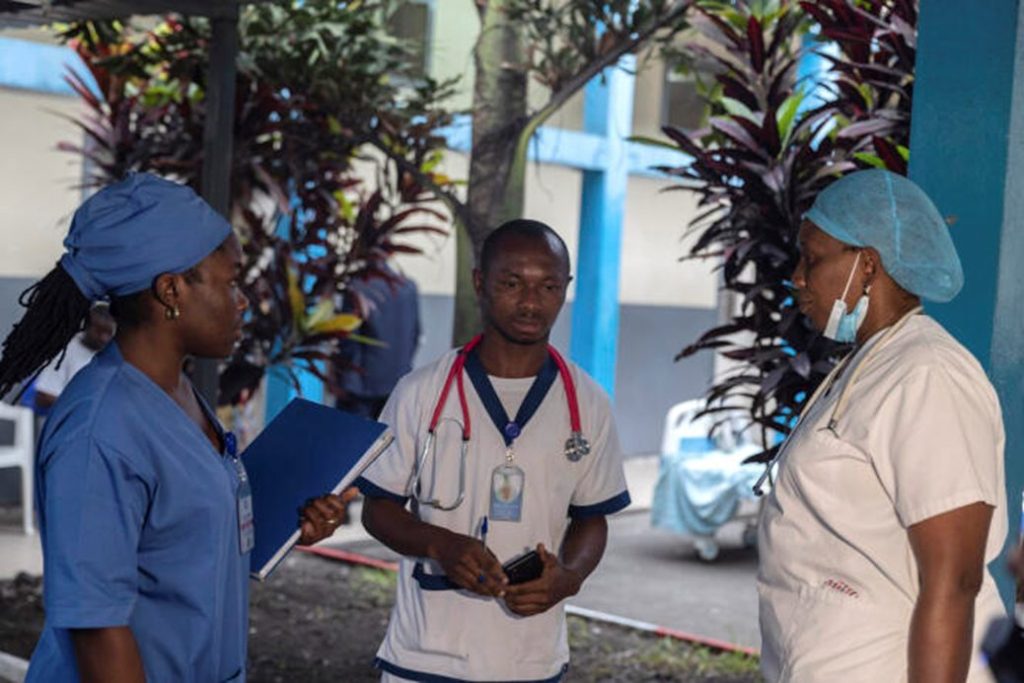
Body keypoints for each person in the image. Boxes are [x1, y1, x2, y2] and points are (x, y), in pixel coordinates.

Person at [0, 173, 349, 683]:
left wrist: (290, 523)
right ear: (170, 290)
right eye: (230, 283)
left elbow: (179, 534)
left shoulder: (177, 393)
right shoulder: (101, 428)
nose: (242, 301)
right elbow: (97, 627)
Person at [758, 169, 1006, 682]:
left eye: (813, 257)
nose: (798, 277)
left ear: (866, 265)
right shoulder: (870, 363)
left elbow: (955, 580)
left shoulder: (927, 374)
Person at [357, 219, 630, 682]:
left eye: (548, 286)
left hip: (530, 658)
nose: (530, 302)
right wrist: (439, 544)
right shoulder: (421, 392)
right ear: (479, 282)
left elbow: (591, 519)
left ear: (566, 289)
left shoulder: (588, 404)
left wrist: (569, 576)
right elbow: (378, 508)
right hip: (426, 659)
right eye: (511, 283)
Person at [336, 262, 420, 419]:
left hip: (359, 387)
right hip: (397, 383)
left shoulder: (356, 288)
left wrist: (340, 377)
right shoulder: (409, 287)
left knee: (349, 441)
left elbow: (348, 341)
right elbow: (415, 335)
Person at [33, 303, 115, 412]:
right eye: (99, 331)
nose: (104, 338)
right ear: (86, 325)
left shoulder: (113, 356)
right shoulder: (63, 350)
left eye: (108, 333)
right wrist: (86, 409)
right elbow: (43, 397)